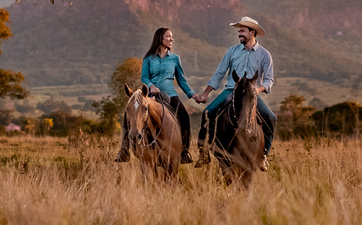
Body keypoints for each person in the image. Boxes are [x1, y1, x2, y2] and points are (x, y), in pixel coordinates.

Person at [192, 16, 276, 171]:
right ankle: (203, 153)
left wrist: (258, 89)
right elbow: (219, 73)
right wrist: (205, 93)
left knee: (271, 118)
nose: (239, 34)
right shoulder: (232, 51)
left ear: (252, 32)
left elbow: (269, 80)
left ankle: (263, 156)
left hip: (252, 94)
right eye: (239, 31)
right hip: (231, 90)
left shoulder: (265, 55)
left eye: (242, 31)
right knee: (208, 112)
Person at [114, 27, 198, 164]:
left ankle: (184, 151)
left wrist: (192, 95)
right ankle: (124, 149)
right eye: (168, 36)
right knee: (130, 112)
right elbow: (144, 77)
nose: (171, 39)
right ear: (160, 38)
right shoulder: (148, 58)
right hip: (151, 95)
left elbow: (181, 80)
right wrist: (151, 86)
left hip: (170, 94)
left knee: (184, 116)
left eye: (172, 37)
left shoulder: (176, 59)